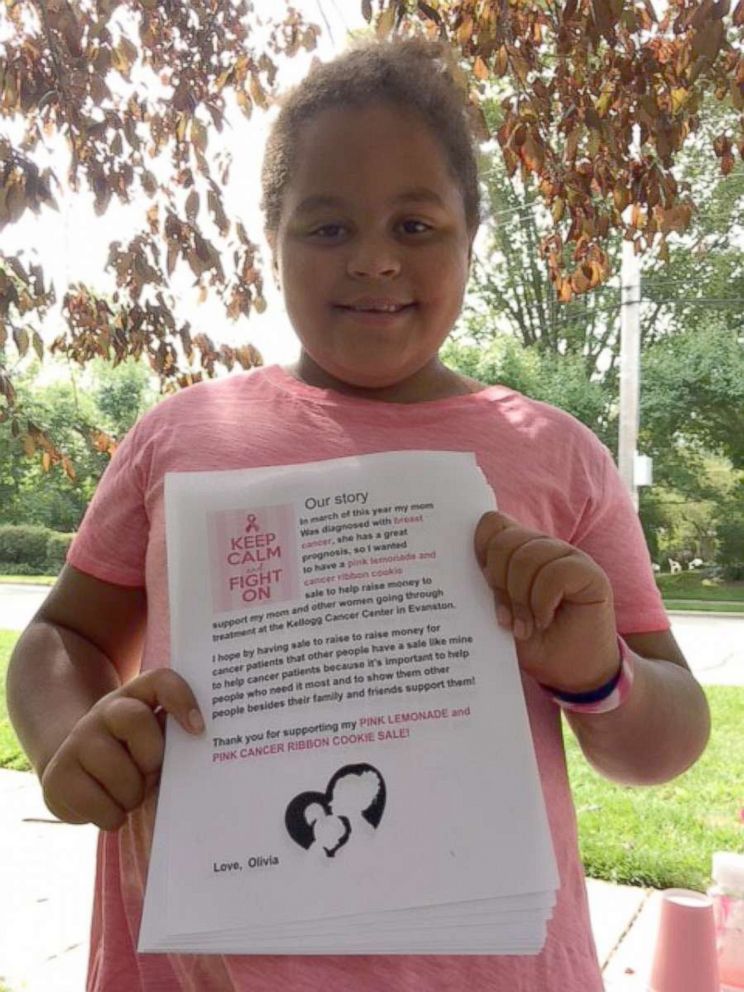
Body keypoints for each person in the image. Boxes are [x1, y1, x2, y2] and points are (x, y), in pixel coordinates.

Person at [7, 36, 710, 992]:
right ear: (274, 241)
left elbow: (667, 743)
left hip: (489, 968)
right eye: (327, 228)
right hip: (200, 962)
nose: (374, 260)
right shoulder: (182, 435)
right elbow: (61, 636)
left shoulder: (557, 455)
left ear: (472, 234)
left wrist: (598, 677)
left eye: (415, 226)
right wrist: (66, 740)